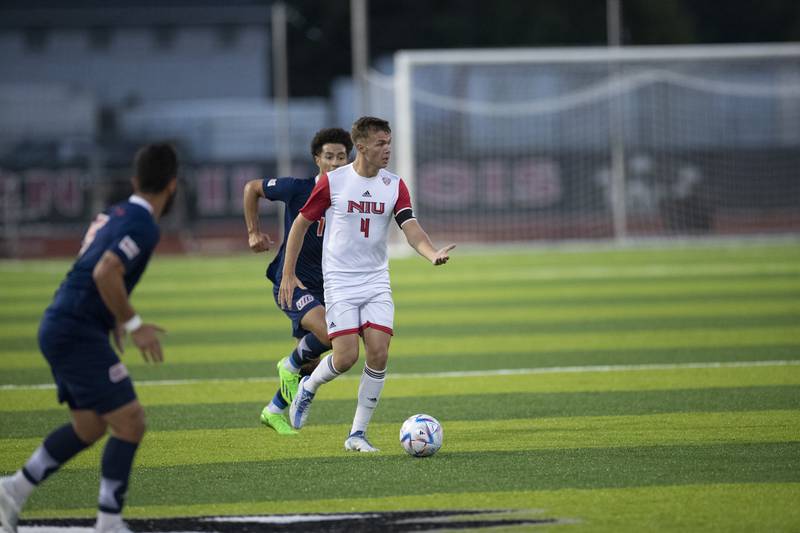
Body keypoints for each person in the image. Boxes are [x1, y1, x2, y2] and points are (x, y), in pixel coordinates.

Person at [0, 143, 178, 533]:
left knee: (90, 426)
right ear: (173, 185)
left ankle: (12, 490)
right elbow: (103, 273)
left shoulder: (113, 212)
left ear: (135, 180)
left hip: (63, 322)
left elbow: (90, 265)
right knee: (131, 421)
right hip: (75, 328)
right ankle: (109, 522)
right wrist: (133, 324)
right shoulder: (143, 224)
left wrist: (112, 316)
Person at [279, 116, 455, 452]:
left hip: (376, 280)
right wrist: (288, 273)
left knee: (379, 352)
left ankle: (356, 435)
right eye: (380, 144)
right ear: (360, 147)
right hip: (340, 281)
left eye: (389, 142)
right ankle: (308, 388)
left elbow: (410, 226)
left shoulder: (394, 185)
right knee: (345, 357)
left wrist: (431, 253)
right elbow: (300, 225)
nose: (387, 149)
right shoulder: (334, 182)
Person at [243, 128, 353, 436]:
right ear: (317, 159)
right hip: (291, 281)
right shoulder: (298, 188)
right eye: (328, 156)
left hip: (326, 286)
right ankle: (287, 366)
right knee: (335, 334)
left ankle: (273, 410)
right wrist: (253, 232)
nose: (334, 163)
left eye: (341, 157)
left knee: (311, 364)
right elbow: (251, 188)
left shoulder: (350, 196)